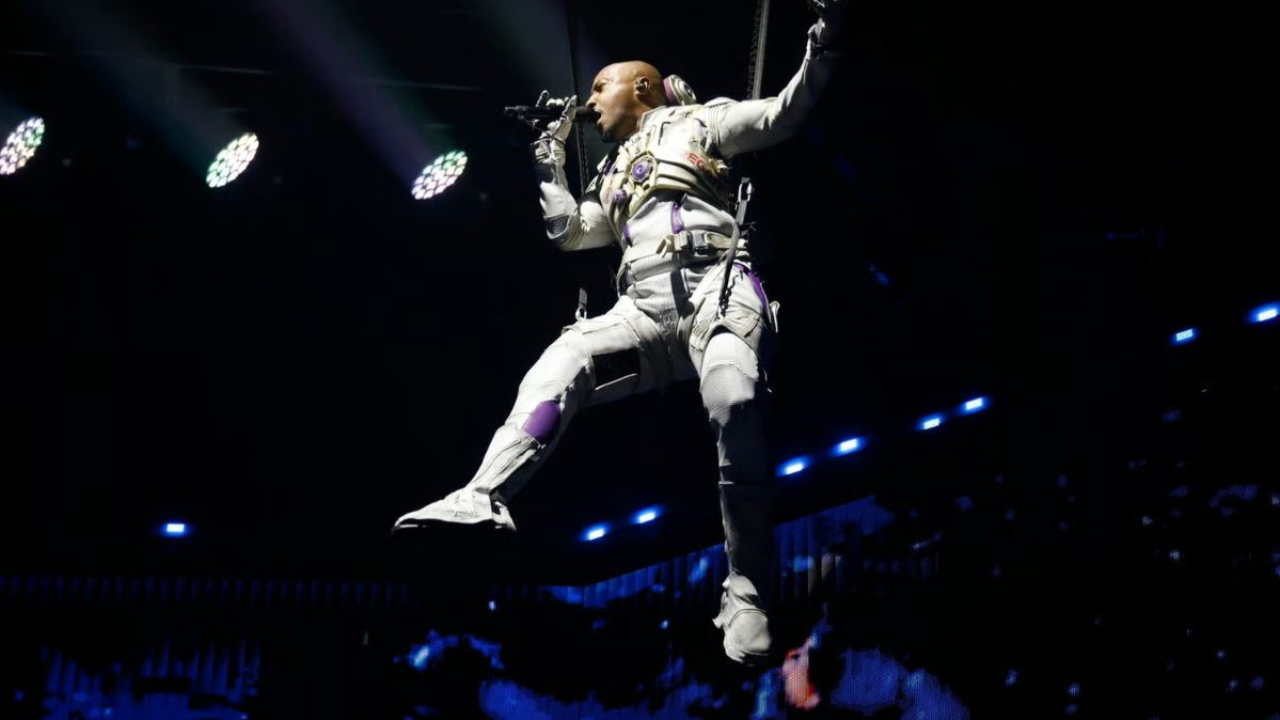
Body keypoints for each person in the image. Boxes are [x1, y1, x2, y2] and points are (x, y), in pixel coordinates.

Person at [394, 0, 847, 666]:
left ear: (640, 87)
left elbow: (783, 112)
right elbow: (574, 233)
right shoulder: (609, 173)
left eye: (599, 88)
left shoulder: (697, 122)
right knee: (566, 356)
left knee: (736, 403)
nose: (590, 102)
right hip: (639, 306)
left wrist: (825, 40)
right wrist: (549, 165)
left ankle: (746, 587)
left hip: (715, 291)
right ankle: (483, 494)